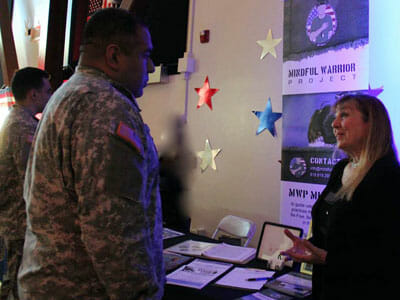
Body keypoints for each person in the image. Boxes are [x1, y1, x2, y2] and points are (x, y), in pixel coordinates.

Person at [18, 8, 164, 300]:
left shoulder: (68, 95)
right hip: (83, 289)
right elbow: (113, 230)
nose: (150, 68)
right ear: (114, 56)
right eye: (145, 55)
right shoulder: (105, 106)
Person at [282, 94, 400, 300]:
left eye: (344, 115)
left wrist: (330, 258)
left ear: (372, 124)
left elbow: (387, 255)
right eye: (335, 117)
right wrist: (311, 247)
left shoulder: (389, 178)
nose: (334, 124)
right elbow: (331, 226)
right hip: (327, 287)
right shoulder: (339, 169)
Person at [0, 67, 52, 300]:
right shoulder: (22, 128)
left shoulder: (19, 121)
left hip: (17, 221)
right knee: (18, 285)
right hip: (19, 222)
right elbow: (34, 180)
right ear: (34, 94)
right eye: (47, 91)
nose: (50, 96)